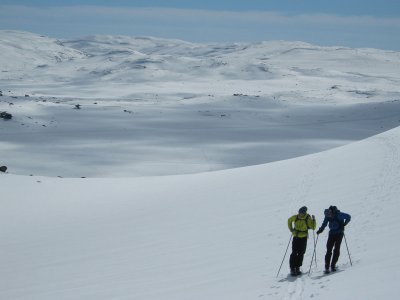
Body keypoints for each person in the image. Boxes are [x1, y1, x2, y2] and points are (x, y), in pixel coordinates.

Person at [316, 206, 351, 273]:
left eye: (329, 215)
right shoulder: (327, 216)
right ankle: (327, 266)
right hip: (331, 233)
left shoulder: (339, 214)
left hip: (339, 233)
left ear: (331, 212)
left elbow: (348, 217)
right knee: (329, 250)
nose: (329, 217)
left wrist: (344, 224)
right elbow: (324, 223)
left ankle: (333, 265)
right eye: (327, 216)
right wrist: (321, 230)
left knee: (336, 249)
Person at [287, 206, 316, 276]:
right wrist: (291, 229)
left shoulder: (307, 218)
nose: (299, 214)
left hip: (303, 237)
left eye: (301, 213)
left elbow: (313, 227)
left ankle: (297, 267)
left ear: (304, 213)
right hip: (296, 237)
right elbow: (289, 220)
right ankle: (292, 268)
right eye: (299, 212)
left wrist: (313, 220)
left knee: (301, 253)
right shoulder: (296, 217)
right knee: (294, 252)